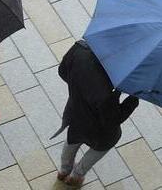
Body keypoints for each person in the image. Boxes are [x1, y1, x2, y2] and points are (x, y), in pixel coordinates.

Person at [51, 40, 139, 188]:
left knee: (72, 140)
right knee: (99, 148)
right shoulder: (108, 91)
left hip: (76, 113)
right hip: (100, 131)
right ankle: (76, 176)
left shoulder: (80, 49)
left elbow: (62, 72)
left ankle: (64, 170)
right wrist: (133, 100)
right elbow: (113, 119)